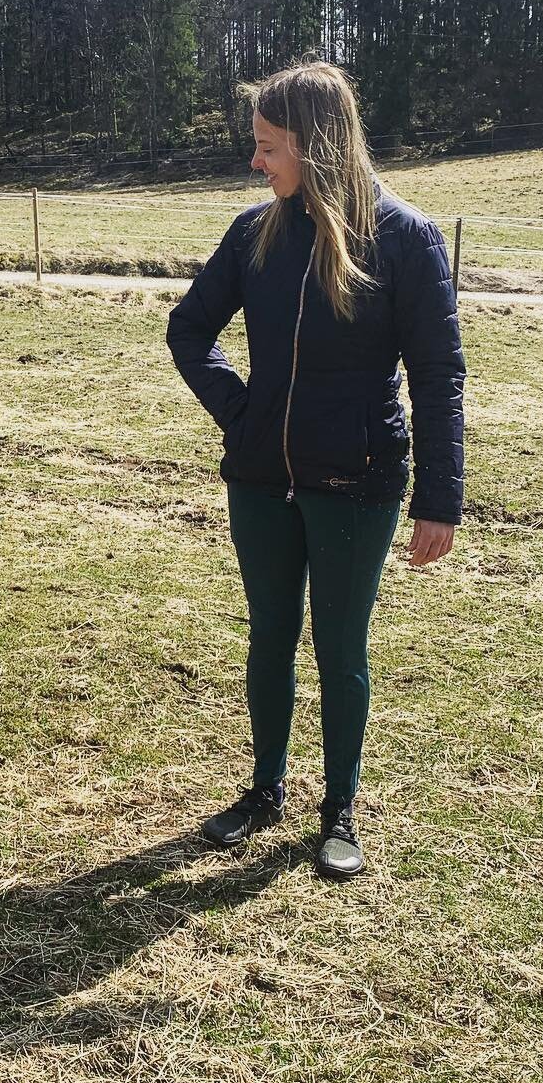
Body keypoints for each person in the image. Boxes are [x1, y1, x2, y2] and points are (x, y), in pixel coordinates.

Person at [166, 61, 464, 881]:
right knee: (269, 636)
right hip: (260, 482)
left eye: (268, 147)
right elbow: (188, 330)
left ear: (316, 144)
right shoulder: (252, 235)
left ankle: (339, 810)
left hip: (358, 484)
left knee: (340, 647)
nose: (256, 163)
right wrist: (244, 412)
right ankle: (264, 790)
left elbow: (439, 377)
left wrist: (440, 498)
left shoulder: (405, 241)